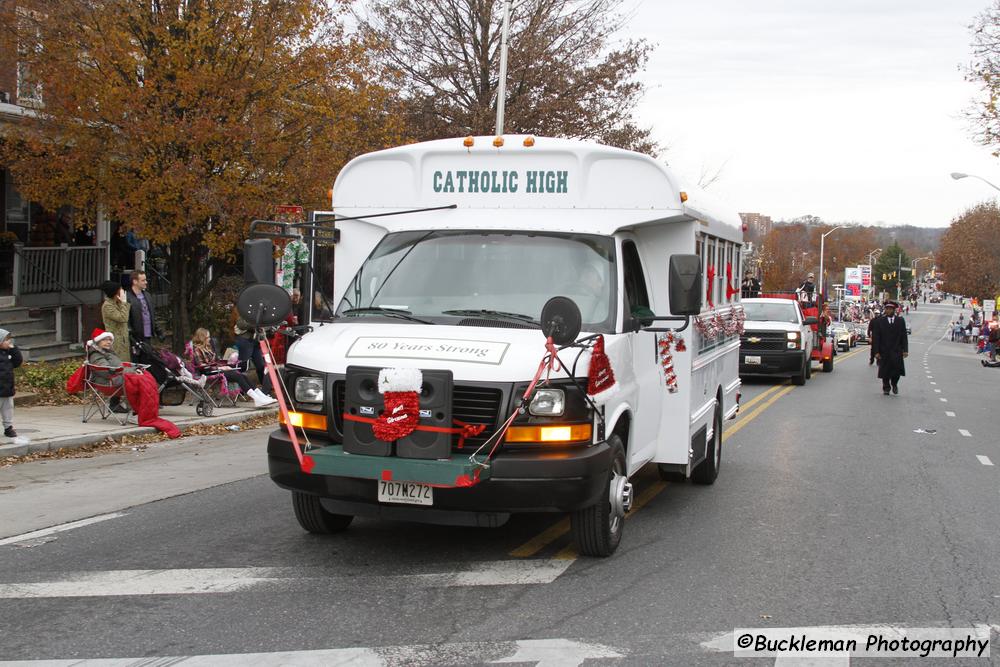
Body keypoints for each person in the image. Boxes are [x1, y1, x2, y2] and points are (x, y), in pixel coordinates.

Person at [189, 328, 276, 408]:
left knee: (243, 376)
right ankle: (256, 399)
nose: (209, 339)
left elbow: (214, 362)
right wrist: (220, 368)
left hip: (216, 370)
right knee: (238, 377)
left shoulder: (207, 348)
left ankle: (261, 396)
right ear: (202, 338)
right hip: (208, 373)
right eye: (207, 337)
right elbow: (203, 367)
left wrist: (224, 366)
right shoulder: (197, 350)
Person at [100, 281, 132, 412]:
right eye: (120, 290)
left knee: (125, 370)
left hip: (123, 341)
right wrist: (124, 303)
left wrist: (123, 303)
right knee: (118, 371)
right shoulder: (107, 306)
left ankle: (119, 400)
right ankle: (114, 402)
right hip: (115, 343)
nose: (122, 292)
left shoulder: (116, 303)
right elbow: (123, 317)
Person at [870, 300, 908, 395]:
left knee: (896, 371)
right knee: (885, 371)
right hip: (884, 351)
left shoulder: (900, 321)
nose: (888, 310)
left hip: (897, 351)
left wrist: (905, 350)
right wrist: (876, 352)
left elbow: (904, 336)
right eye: (887, 309)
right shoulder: (880, 321)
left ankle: (894, 384)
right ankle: (886, 387)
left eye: (890, 309)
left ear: (894, 310)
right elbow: (876, 338)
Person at [232, 311, 274, 396]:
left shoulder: (264, 313)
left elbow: (266, 327)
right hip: (245, 341)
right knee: (243, 366)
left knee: (260, 366)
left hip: (256, 342)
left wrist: (270, 328)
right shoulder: (247, 310)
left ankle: (266, 391)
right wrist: (255, 325)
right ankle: (240, 390)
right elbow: (241, 324)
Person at [126, 270, 163, 355]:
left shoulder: (147, 295)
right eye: (143, 280)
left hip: (148, 335)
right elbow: (126, 319)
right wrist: (131, 335)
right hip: (136, 337)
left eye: (145, 280)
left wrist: (159, 331)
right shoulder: (127, 298)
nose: (146, 282)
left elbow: (153, 314)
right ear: (135, 281)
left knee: (148, 359)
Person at [0, 329, 23, 438]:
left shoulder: (8, 353)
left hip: (7, 388)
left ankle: (8, 428)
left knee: (8, 409)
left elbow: (18, 361)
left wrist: (14, 350)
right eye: (6, 340)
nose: (9, 342)